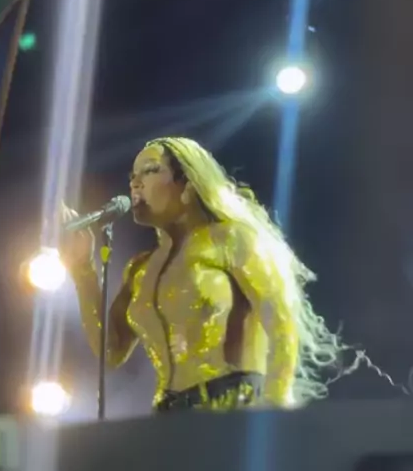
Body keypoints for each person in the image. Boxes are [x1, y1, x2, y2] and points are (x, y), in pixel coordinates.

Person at [61, 137, 343, 412]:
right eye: (132, 176)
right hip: (170, 417)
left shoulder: (232, 240)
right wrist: (83, 270)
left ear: (187, 183)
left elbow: (280, 322)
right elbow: (110, 352)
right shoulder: (139, 270)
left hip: (236, 405)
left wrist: (274, 410)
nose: (135, 183)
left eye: (150, 171)